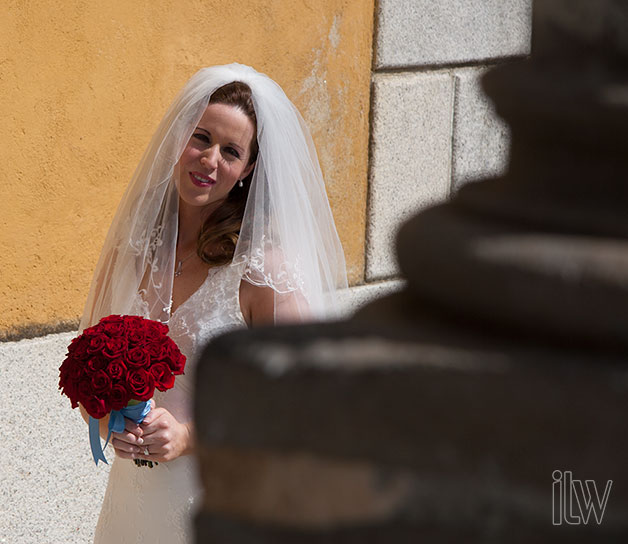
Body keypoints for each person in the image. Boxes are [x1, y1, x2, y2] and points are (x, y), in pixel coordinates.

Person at [78, 63, 347, 543]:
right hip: (134, 501)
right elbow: (88, 364)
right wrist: (110, 418)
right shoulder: (132, 247)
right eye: (200, 137)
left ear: (247, 171)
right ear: (177, 137)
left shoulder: (263, 272)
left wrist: (186, 437)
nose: (210, 160)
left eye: (231, 151)